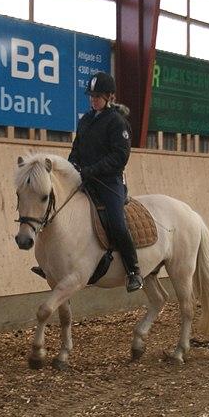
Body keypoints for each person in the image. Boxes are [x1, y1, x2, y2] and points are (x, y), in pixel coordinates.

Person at [69, 71, 143, 292]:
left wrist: (92, 170)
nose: (93, 99)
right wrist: (72, 165)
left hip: (109, 182)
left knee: (117, 223)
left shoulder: (117, 123)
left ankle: (133, 271)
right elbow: (76, 148)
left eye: (97, 96)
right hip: (85, 178)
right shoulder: (85, 120)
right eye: (91, 96)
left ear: (109, 96)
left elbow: (120, 156)